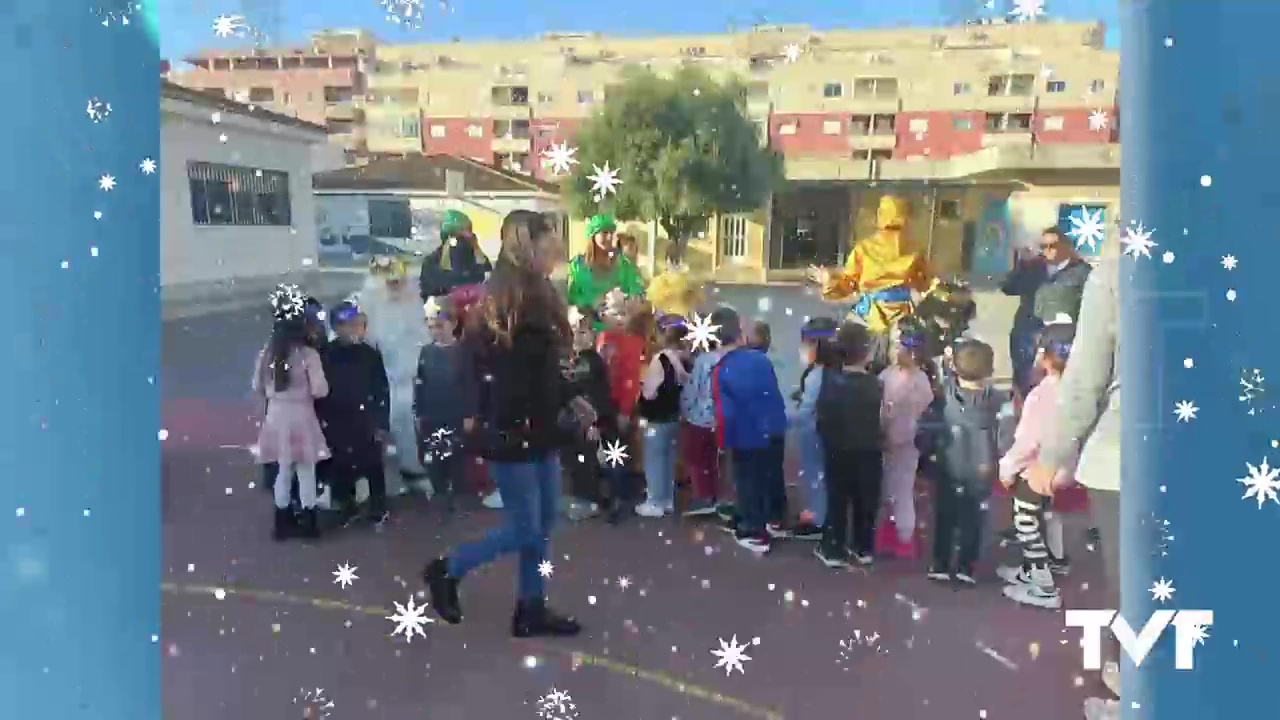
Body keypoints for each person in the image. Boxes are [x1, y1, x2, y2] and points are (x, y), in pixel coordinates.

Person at [422, 209, 596, 638]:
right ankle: (447, 570)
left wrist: (572, 399)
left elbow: (545, 369)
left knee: (544, 522)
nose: (555, 253)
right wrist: (483, 418)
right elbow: (481, 368)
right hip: (511, 429)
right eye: (547, 245)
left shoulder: (539, 293)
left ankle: (530, 607)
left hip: (538, 428)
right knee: (525, 528)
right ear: (526, 246)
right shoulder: (499, 302)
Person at [1026, 241, 1121, 720]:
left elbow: (1087, 376)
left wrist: (1054, 454)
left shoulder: (1121, 266)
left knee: (1136, 585)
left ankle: (1136, 696)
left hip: (1130, 452)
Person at [997, 317, 1085, 609]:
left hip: (1042, 471)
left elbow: (1027, 443)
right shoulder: (1085, 392)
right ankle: (1045, 565)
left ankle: (1042, 584)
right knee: (1048, 515)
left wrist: (1007, 468)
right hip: (1073, 469)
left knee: (1026, 520)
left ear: (1045, 358)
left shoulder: (1041, 396)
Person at [807, 195, 933, 372]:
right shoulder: (916, 250)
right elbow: (925, 284)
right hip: (902, 318)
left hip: (866, 317)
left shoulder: (864, 248)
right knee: (903, 368)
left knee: (852, 360)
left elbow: (848, 284)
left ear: (881, 215)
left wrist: (828, 282)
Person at [253, 286, 331, 541]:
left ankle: (281, 522)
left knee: (283, 471)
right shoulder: (308, 354)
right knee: (307, 472)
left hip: (276, 418)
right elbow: (320, 390)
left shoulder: (267, 352)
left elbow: (257, 386)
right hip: (302, 417)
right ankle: (309, 524)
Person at [353, 256, 433, 495]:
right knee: (394, 417)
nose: (395, 287)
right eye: (390, 283)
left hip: (413, 375)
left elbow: (424, 335)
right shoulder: (366, 305)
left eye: (399, 282)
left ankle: (414, 468)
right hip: (383, 378)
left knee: (411, 418)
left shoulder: (415, 303)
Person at [712, 307, 789, 553]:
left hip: (747, 435)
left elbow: (726, 412)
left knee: (747, 480)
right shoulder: (761, 359)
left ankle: (753, 530)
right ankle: (775, 518)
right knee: (772, 474)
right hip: (775, 427)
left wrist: (722, 443)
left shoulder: (721, 369)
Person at [926, 339, 1002, 584]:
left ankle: (940, 562)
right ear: (990, 370)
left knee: (945, 516)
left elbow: (930, 420)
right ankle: (966, 566)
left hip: (948, 465)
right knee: (973, 518)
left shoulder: (946, 394)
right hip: (981, 469)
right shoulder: (996, 400)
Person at [813, 322, 885, 568]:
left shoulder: (830, 381)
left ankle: (834, 547)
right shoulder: (875, 384)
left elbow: (822, 416)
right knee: (866, 500)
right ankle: (863, 546)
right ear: (866, 353)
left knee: (837, 498)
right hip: (868, 451)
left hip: (837, 449)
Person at [315, 301, 391, 528]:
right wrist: (322, 419)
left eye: (355, 324)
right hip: (337, 420)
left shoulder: (369, 354)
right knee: (341, 464)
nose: (351, 330)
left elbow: (381, 388)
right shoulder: (325, 354)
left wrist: (381, 422)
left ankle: (378, 505)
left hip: (365, 420)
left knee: (373, 464)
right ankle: (344, 504)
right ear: (336, 328)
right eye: (346, 325)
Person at [1000, 227, 1092, 398]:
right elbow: (1007, 288)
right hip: (1027, 333)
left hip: (1060, 338)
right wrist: (1021, 264)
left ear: (1066, 247)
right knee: (1024, 380)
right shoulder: (1032, 267)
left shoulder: (1082, 271)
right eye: (1043, 246)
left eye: (1052, 245)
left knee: (1057, 383)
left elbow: (1090, 304)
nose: (1047, 250)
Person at [877, 320, 936, 559]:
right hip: (911, 440)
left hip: (891, 440)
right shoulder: (922, 378)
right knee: (902, 487)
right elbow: (926, 404)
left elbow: (883, 411)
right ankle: (901, 533)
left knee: (894, 490)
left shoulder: (888, 376)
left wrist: (882, 429)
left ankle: (901, 536)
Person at [414, 303, 468, 518]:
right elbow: (420, 382)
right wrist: (419, 411)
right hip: (432, 413)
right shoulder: (426, 351)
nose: (435, 331)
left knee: (454, 456)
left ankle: (454, 494)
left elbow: (469, 385)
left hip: (454, 412)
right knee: (434, 455)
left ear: (453, 324)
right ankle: (440, 492)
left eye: (440, 325)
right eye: (432, 326)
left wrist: (469, 413)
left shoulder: (462, 352)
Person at [563, 310, 617, 522]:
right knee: (578, 462)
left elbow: (600, 395)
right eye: (576, 331)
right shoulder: (573, 359)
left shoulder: (592, 362)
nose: (579, 335)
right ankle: (586, 499)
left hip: (590, 422)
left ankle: (591, 501)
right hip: (574, 422)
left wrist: (596, 423)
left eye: (584, 332)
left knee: (588, 462)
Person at [788, 317, 839, 541]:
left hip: (813, 431)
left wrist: (780, 421)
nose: (802, 349)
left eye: (806, 344)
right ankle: (821, 513)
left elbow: (806, 410)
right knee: (823, 475)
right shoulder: (835, 370)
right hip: (828, 431)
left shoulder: (817, 375)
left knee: (815, 475)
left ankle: (818, 520)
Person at [634, 316, 690, 518]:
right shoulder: (685, 359)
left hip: (657, 417)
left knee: (654, 459)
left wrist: (640, 395)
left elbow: (650, 392)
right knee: (668, 458)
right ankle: (667, 499)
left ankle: (655, 501)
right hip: (675, 415)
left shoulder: (661, 359)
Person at [679, 319, 730, 519]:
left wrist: (685, 409)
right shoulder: (729, 358)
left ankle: (703, 497)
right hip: (722, 418)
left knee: (697, 458)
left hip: (701, 417)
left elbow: (693, 390)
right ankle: (714, 495)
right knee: (713, 459)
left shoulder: (703, 361)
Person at [419, 209, 493, 324]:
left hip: (474, 320)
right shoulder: (433, 261)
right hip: (445, 320)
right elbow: (434, 288)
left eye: (468, 235)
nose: (462, 243)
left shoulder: (477, 257)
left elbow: (488, 279)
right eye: (458, 237)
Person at [566, 214, 645, 313]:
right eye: (604, 233)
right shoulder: (578, 266)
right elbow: (571, 300)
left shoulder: (623, 265)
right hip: (588, 325)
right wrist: (593, 303)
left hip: (619, 325)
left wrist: (627, 300)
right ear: (593, 235)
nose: (609, 237)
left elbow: (637, 291)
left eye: (612, 233)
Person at [647, 243, 705, 321]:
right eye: (672, 260)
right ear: (666, 261)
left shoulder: (688, 280)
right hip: (665, 321)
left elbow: (698, 300)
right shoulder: (659, 281)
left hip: (684, 321)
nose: (675, 264)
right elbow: (654, 299)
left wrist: (692, 288)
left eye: (677, 260)